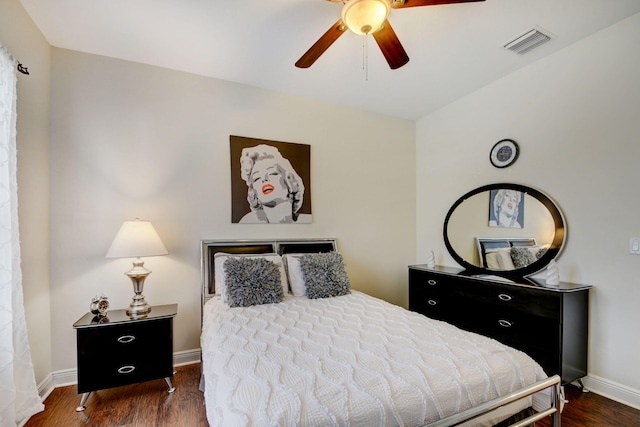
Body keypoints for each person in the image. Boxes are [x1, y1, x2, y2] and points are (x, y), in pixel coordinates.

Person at [239, 144, 311, 223]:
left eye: (272, 173)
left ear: (290, 182)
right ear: (254, 193)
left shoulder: (307, 221)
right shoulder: (249, 222)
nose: (264, 179)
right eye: (257, 178)